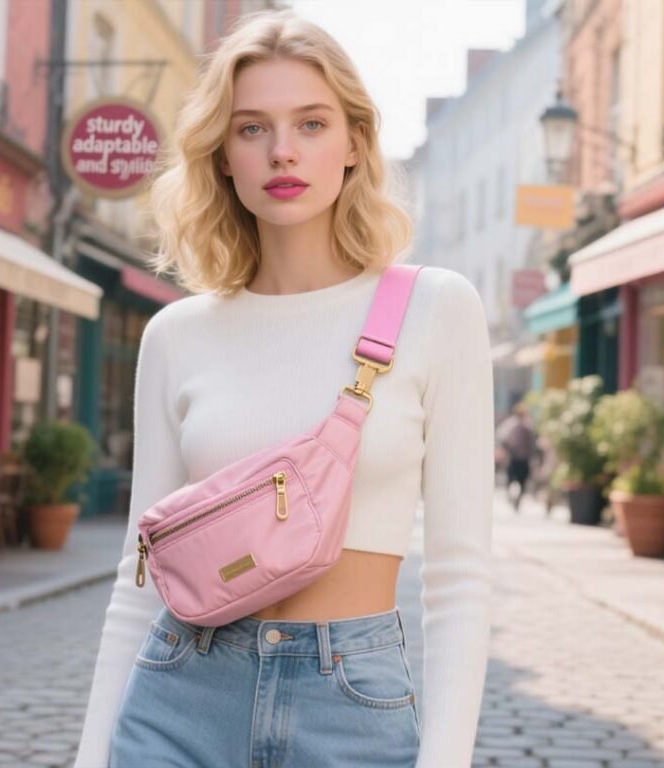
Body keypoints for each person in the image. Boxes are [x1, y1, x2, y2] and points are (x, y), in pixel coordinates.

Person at [75, 11, 493, 768]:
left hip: (351, 707)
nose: (283, 151)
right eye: (252, 129)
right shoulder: (177, 335)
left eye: (311, 122)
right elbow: (137, 578)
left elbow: (461, 581)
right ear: (224, 156)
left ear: (356, 144)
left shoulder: (437, 309)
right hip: (181, 696)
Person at [496, 403, 536, 513]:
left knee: (522, 480)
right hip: (514, 457)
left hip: (523, 458)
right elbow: (502, 438)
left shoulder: (528, 425)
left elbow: (532, 442)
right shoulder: (510, 424)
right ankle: (511, 496)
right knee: (511, 478)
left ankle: (517, 500)